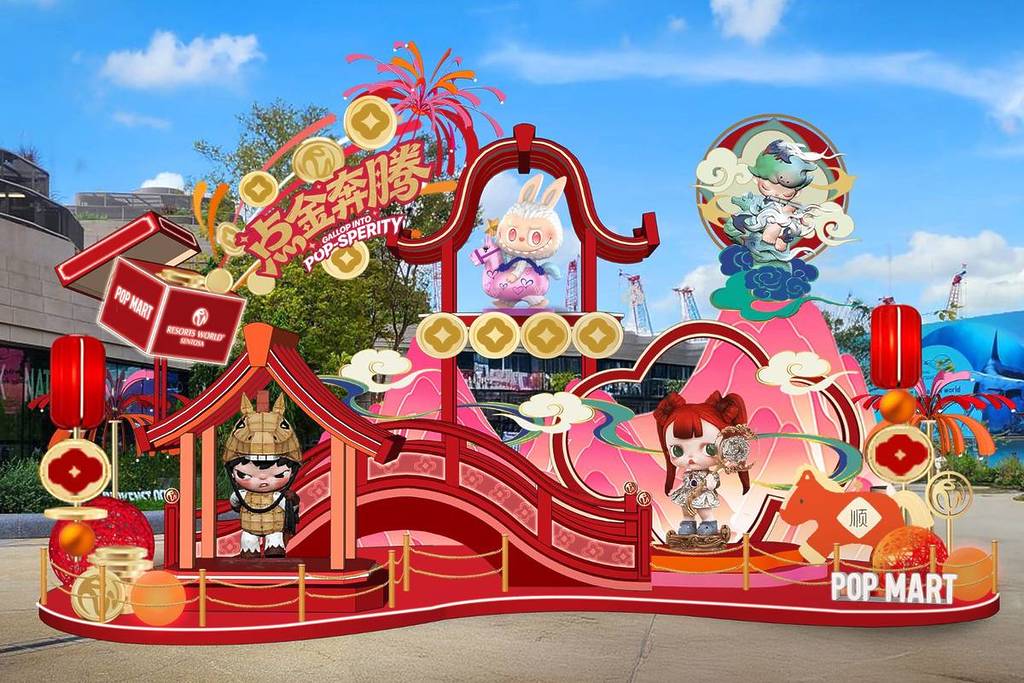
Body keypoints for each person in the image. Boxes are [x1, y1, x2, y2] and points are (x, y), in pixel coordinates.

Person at [653, 391, 752, 536]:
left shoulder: (710, 473)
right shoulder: (689, 472)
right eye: (677, 451)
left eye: (708, 449)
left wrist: (710, 483)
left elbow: (714, 482)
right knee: (686, 508)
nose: (691, 457)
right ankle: (688, 523)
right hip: (688, 492)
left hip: (703, 493)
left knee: (704, 509)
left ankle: (708, 523)